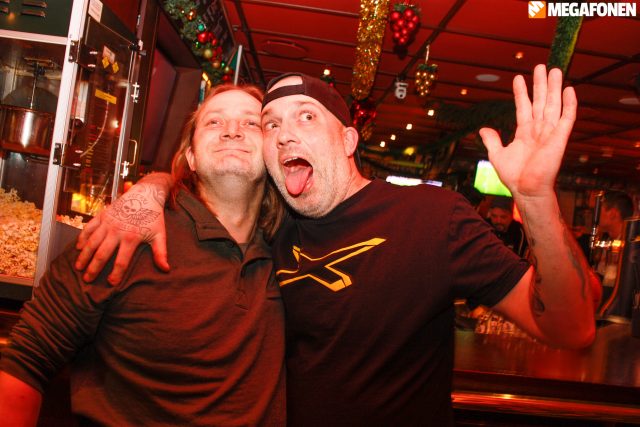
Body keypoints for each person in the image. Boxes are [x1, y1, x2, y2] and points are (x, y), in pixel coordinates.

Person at [74, 65, 601, 426]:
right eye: (271, 124)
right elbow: (205, 186)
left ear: (348, 140)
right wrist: (150, 187)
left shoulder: (432, 217)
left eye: (306, 116)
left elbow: (571, 327)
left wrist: (536, 200)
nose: (285, 135)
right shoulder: (270, 227)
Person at [0, 84, 286, 426]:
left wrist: (155, 181)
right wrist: (155, 183)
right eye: (214, 122)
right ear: (191, 157)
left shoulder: (292, 251)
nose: (232, 130)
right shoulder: (128, 233)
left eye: (251, 123)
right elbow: (26, 360)